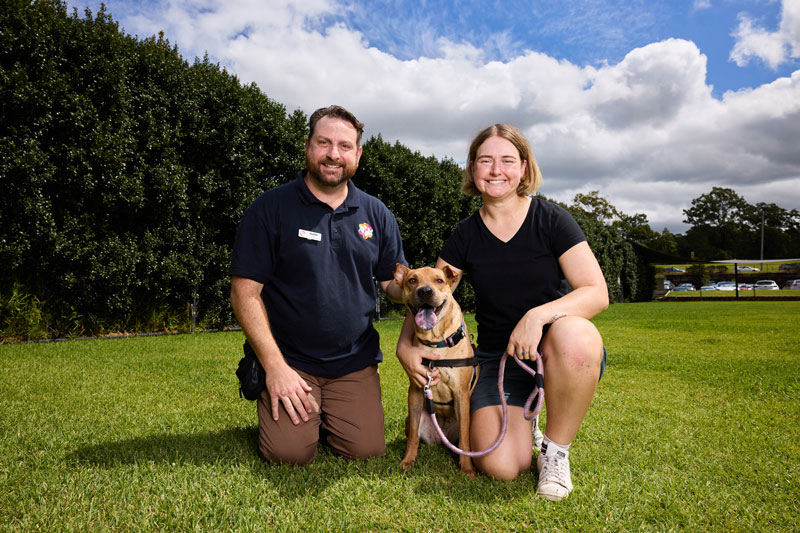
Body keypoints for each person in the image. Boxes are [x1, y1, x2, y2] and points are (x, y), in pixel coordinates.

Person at [396, 123, 608, 500]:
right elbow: (428, 294)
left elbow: (596, 292)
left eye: (507, 160)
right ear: (472, 169)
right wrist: (406, 345)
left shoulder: (552, 220)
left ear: (524, 168)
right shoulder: (465, 235)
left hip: (554, 350)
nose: (496, 170)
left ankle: (556, 453)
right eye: (485, 161)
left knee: (577, 336)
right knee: (502, 466)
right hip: (498, 358)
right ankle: (530, 423)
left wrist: (537, 317)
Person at [230, 105, 406, 465]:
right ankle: (277, 393)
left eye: (344, 146)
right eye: (323, 143)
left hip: (354, 362)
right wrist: (275, 367)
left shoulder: (377, 214)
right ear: (308, 146)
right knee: (289, 454)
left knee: (366, 450)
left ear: (357, 155)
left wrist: (423, 292)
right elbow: (244, 292)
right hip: (290, 361)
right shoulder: (270, 207)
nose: (333, 155)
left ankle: (328, 413)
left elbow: (391, 282)